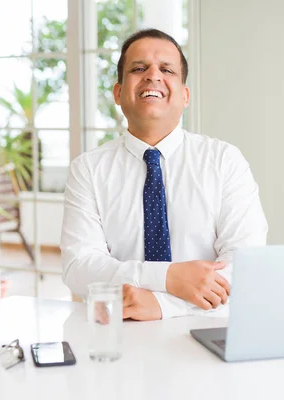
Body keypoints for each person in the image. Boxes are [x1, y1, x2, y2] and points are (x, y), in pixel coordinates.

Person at [61, 28, 267, 321]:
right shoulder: (88, 170)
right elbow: (79, 268)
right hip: (120, 335)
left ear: (185, 95)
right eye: (138, 68)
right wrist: (168, 277)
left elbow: (247, 264)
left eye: (167, 69)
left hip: (208, 332)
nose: (153, 76)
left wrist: (162, 306)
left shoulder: (224, 161)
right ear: (119, 93)